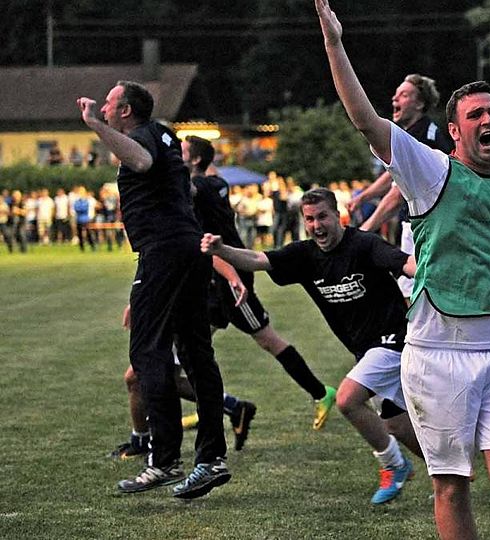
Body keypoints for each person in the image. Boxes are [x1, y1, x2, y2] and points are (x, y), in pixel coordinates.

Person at [315, 1, 490, 537]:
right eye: (476, 116)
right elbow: (366, 120)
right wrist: (334, 43)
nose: (489, 121)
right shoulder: (430, 171)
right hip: (438, 353)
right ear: (453, 130)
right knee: (452, 483)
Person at [202, 188, 423, 505]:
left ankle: (393, 465)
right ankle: (451, 472)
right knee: (395, 424)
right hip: (364, 350)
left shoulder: (364, 244)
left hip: (394, 339)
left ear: (337, 216)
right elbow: (257, 259)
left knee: (347, 399)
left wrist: (433, 270)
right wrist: (222, 249)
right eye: (310, 219)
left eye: (323, 217)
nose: (317, 225)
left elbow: (405, 264)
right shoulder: (305, 255)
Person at [77, 80, 229, 499]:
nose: (103, 110)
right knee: (196, 354)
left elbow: (141, 162)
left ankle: (163, 460)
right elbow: (181, 184)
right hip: (187, 249)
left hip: (163, 251)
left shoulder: (143, 137)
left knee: (148, 353)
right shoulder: (164, 134)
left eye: (109, 105)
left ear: (125, 110)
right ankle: (211, 459)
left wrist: (94, 126)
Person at [182, 136, 337, 430]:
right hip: (215, 278)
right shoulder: (214, 183)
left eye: (181, 153)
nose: (175, 157)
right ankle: (213, 407)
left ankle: (321, 392)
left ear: (196, 160)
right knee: (193, 347)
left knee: (267, 339)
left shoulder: (202, 186)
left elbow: (191, 198)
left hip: (231, 276)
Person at [348, 73, 454, 297]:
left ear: (420, 103)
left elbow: (397, 195)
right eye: (396, 95)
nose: (395, 99)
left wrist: (363, 231)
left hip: (426, 228)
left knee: (415, 295)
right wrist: (363, 197)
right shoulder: (417, 132)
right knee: (415, 293)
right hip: (423, 225)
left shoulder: (423, 138)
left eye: (404, 95)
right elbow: (391, 175)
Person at [111, 305, 258, 458]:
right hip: (185, 309)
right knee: (162, 378)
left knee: (137, 377)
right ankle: (234, 407)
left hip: (185, 309)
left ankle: (143, 443)